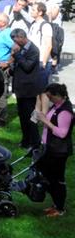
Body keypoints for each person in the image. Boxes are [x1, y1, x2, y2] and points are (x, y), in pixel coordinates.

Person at [37, 83, 72, 217]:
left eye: (50, 97)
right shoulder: (57, 106)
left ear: (57, 95)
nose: (49, 99)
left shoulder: (65, 111)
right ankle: (55, 204)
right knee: (48, 177)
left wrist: (45, 121)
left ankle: (60, 208)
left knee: (57, 180)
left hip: (58, 151)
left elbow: (62, 133)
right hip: (50, 148)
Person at [10, 29, 46, 150]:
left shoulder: (33, 50)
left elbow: (27, 66)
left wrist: (17, 54)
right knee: (22, 116)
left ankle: (35, 143)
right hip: (20, 89)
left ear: (21, 37)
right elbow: (18, 66)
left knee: (30, 117)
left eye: (15, 40)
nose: (15, 43)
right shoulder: (20, 49)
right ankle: (25, 141)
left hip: (28, 90)